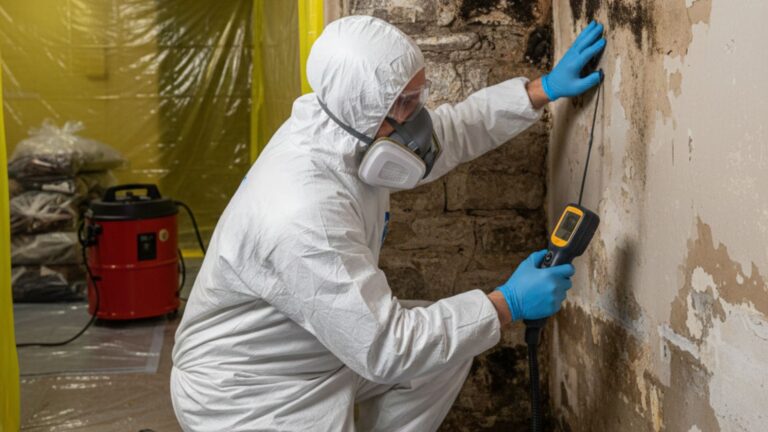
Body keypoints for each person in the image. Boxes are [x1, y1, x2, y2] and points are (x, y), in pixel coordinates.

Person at [171, 16, 606, 432]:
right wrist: (506, 303)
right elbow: (386, 347)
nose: (418, 116)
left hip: (315, 351)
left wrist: (540, 90)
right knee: (430, 340)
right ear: (361, 108)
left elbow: (448, 135)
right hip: (249, 393)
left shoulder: (344, 128)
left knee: (447, 350)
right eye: (405, 103)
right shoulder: (303, 214)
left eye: (418, 95)